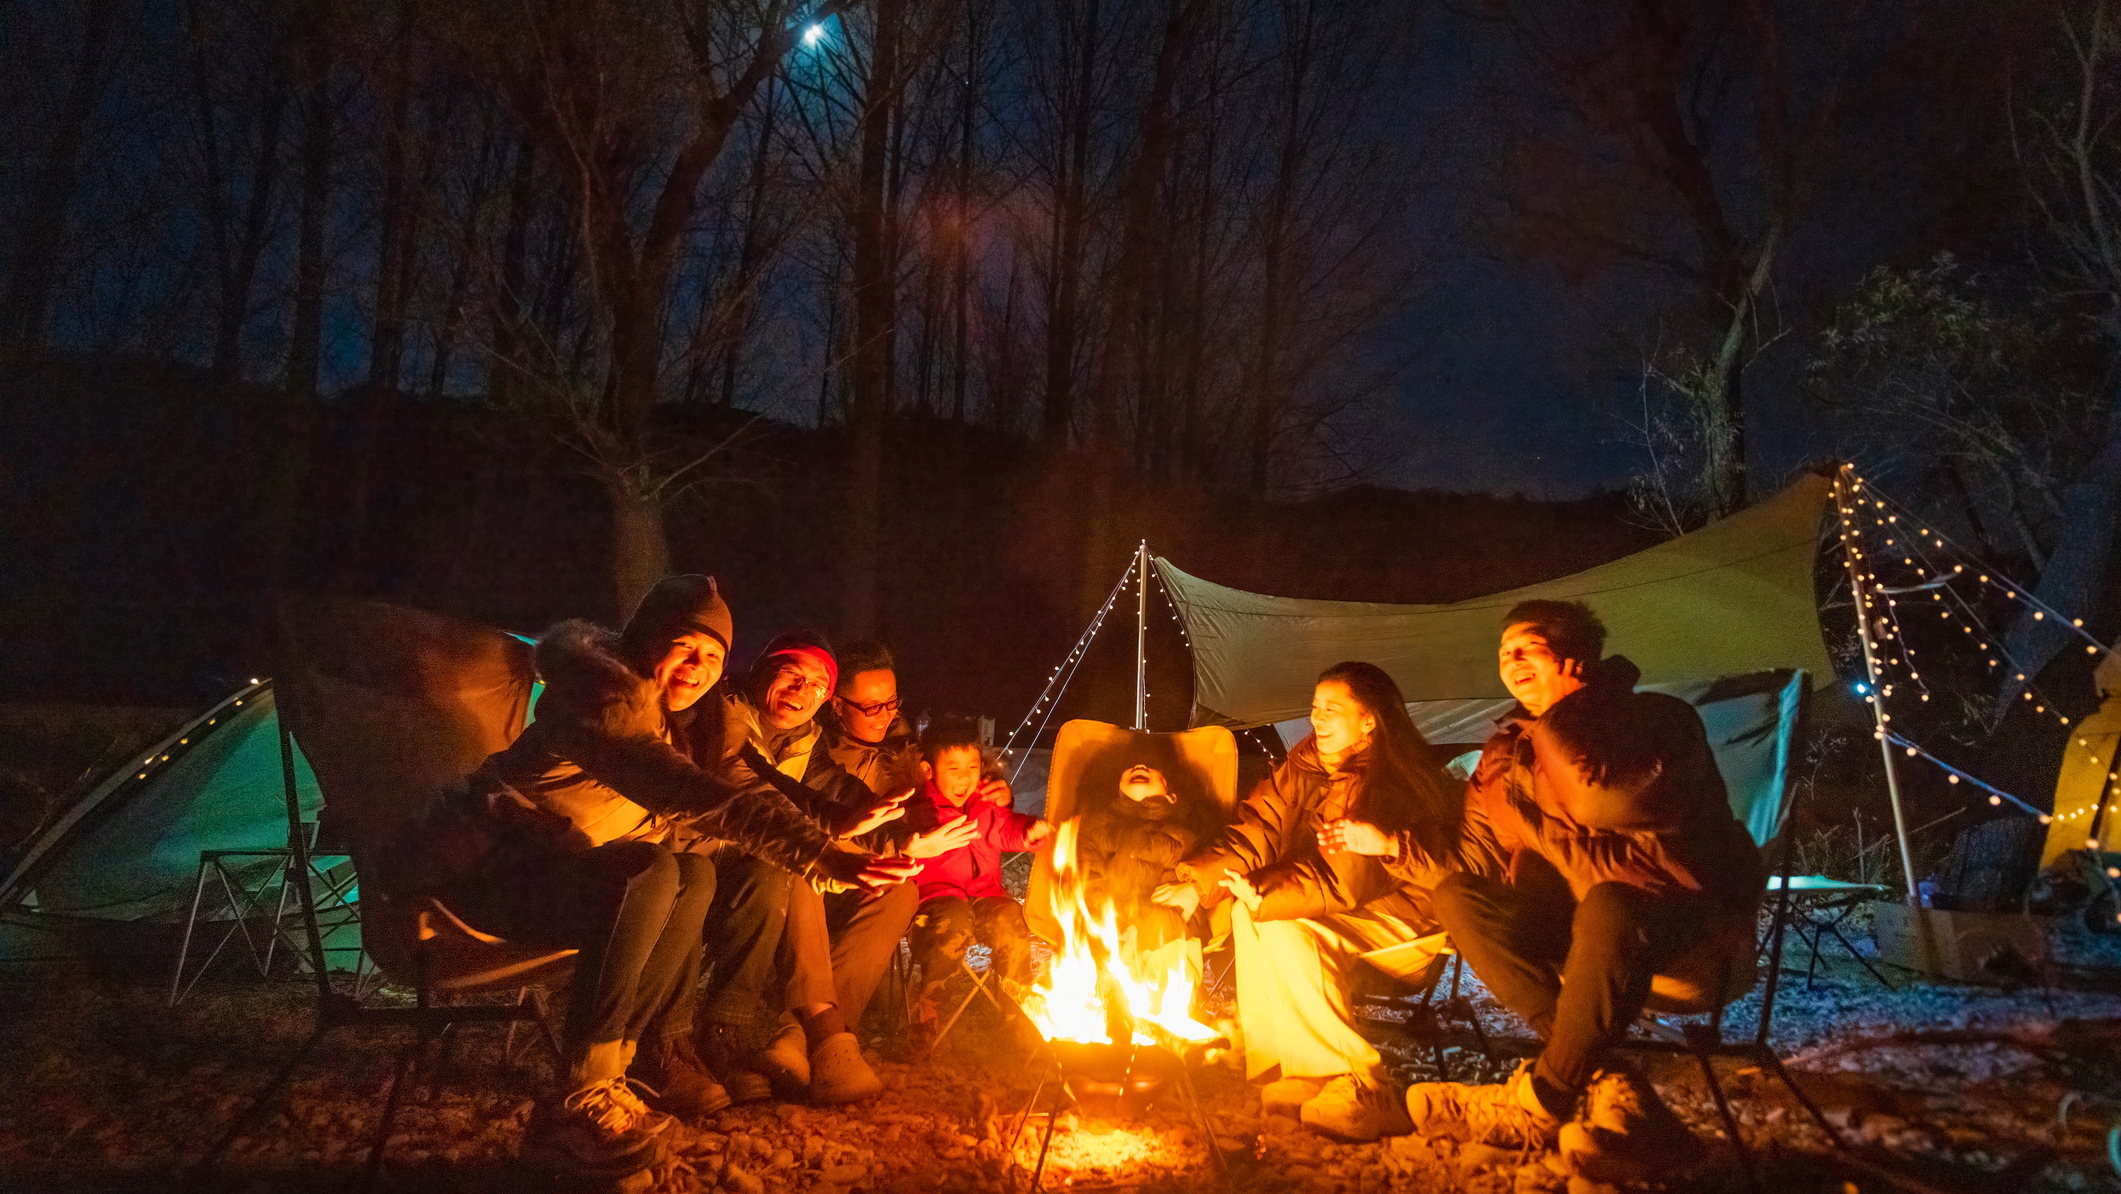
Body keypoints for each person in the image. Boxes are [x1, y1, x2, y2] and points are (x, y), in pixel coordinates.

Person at [401, 575, 907, 1174]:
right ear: (645, 641)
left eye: (712, 655)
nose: (697, 666)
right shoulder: (602, 700)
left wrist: (844, 840)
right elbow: (694, 795)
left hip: (556, 874)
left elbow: (757, 792)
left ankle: (624, 1067)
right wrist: (823, 858)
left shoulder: (684, 723)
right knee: (648, 869)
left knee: (689, 873)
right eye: (683, 646)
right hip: (482, 875)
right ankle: (576, 1093)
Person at [1391, 600, 1761, 1175]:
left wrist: (1563, 714)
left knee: (1610, 904)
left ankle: (1540, 1103)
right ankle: (1603, 1079)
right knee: (1458, 896)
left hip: (1685, 923)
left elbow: (1601, 798)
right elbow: (1473, 859)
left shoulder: (1659, 719)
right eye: (1504, 652)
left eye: (1528, 648)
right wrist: (1391, 846)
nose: (1512, 661)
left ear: (1577, 658)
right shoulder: (1504, 751)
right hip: (1577, 932)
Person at [1154, 661, 1460, 1143]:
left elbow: (1349, 879)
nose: (1317, 717)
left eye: (1333, 708)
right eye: (1316, 706)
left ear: (1369, 720)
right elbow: (1258, 829)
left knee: (1284, 920)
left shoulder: (1390, 778)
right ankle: (1298, 1070)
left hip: (1406, 919)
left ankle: (1361, 1085)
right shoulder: (1305, 766)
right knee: (1248, 913)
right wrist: (1200, 883)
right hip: (1337, 903)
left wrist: (1268, 891)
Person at [690, 632, 926, 1104]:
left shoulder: (807, 737)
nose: (803, 691)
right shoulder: (720, 716)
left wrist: (902, 838)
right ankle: (824, 1031)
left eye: (817, 684)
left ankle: (799, 1039)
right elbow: (761, 789)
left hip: (797, 871)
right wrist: (831, 836)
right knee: (788, 863)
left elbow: (835, 790)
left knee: (899, 889)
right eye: (792, 675)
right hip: (725, 866)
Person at [902, 716, 1053, 1034]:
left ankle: (1018, 1007)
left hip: (986, 893)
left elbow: (1003, 827)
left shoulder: (984, 803)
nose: (964, 777)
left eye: (972, 767)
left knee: (1010, 921)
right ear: (929, 770)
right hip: (936, 898)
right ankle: (929, 1009)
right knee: (952, 926)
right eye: (953, 768)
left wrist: (1028, 831)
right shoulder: (918, 808)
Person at [1073, 741, 1213, 956]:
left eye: (1152, 766)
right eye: (1129, 766)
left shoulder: (1184, 836)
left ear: (1170, 796)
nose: (1139, 766)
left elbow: (1191, 909)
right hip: (1106, 935)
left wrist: (1142, 929)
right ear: (1118, 790)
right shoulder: (1095, 827)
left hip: (1165, 940)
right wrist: (1114, 925)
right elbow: (1088, 882)